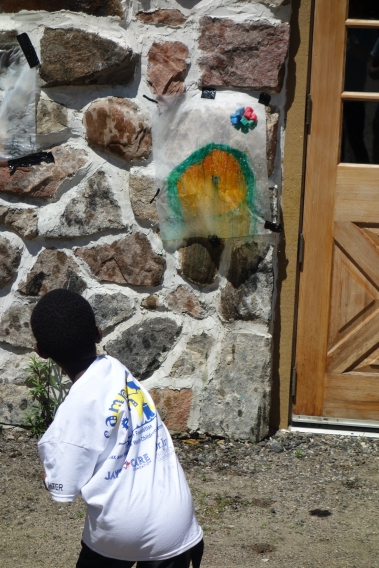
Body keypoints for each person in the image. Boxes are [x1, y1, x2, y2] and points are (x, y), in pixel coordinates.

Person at [32, 289, 204, 568]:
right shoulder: (118, 371)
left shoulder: (70, 418)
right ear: (99, 334)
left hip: (120, 531)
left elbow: (63, 489)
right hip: (178, 525)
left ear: (40, 351)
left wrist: (49, 476)